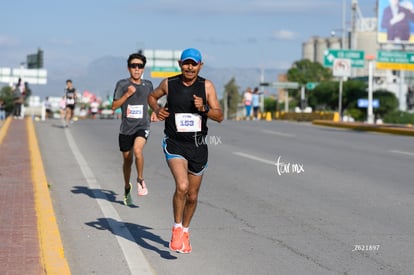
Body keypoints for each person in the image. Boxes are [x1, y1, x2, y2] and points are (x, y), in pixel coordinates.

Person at [148, 48, 224, 254]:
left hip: (198, 146)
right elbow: (152, 97)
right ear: (180, 63)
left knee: (192, 195)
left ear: (201, 65)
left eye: (194, 64)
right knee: (181, 186)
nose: (190, 67)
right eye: (186, 63)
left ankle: (186, 231)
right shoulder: (169, 84)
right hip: (174, 143)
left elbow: (219, 116)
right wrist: (157, 110)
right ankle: (176, 228)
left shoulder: (206, 86)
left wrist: (204, 108)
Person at [111, 52, 153, 206]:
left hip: (142, 126)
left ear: (143, 68)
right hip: (126, 129)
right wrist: (127, 95)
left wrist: (155, 112)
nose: (136, 69)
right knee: (127, 161)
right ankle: (127, 187)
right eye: (133, 66)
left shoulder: (148, 85)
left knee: (138, 151)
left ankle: (140, 180)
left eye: (140, 66)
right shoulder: (122, 84)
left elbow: (152, 102)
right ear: (128, 68)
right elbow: (114, 106)